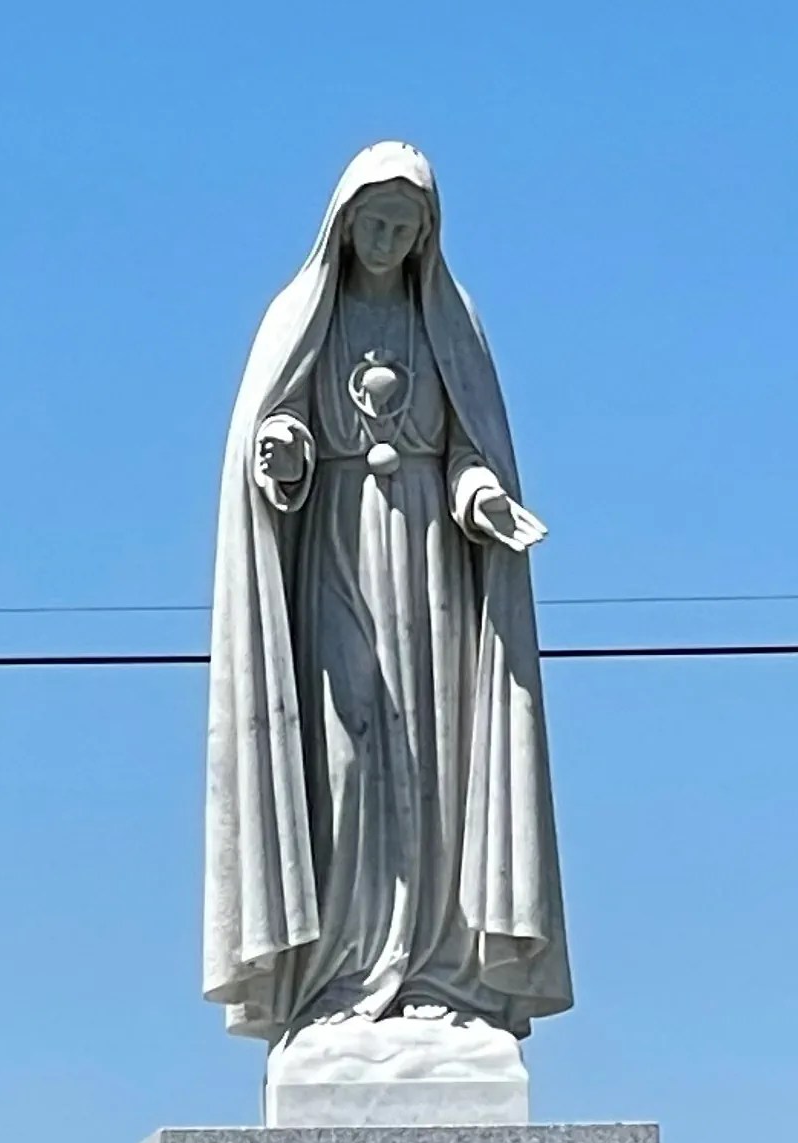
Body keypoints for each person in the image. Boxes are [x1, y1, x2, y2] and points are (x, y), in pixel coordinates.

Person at [203, 143, 572, 1055]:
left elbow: (467, 448)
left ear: (425, 237)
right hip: (333, 549)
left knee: (434, 762)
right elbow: (274, 430)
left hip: (431, 563)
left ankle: (437, 972)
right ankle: (341, 971)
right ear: (342, 224)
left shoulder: (448, 323)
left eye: (403, 227)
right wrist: (283, 453)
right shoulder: (302, 317)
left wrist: (482, 498)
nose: (385, 239)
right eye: (373, 221)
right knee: (348, 754)